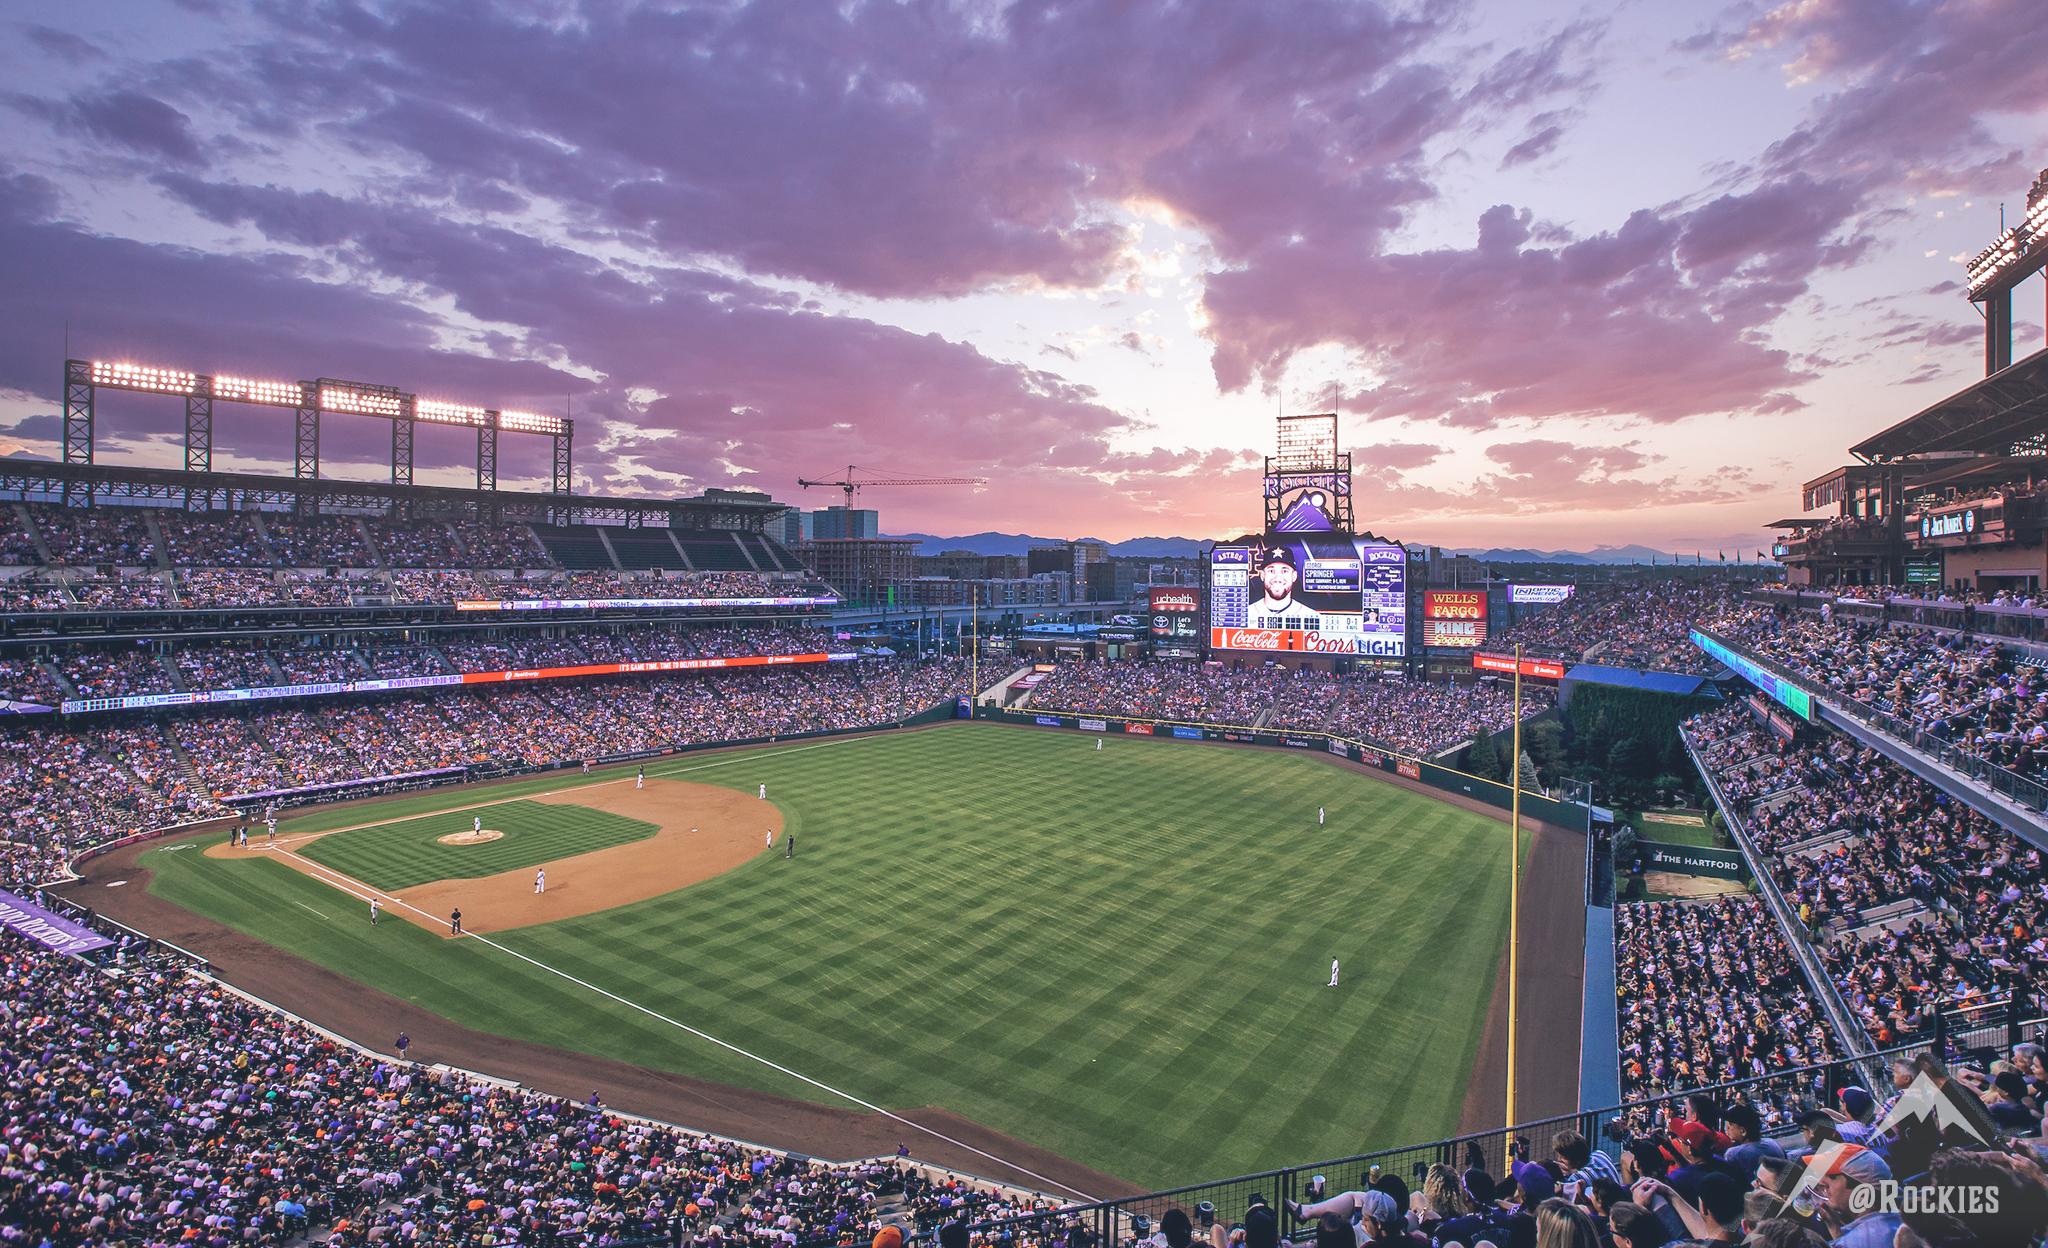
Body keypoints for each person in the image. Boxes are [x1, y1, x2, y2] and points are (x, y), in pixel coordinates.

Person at [1246, 545, 1322, 629]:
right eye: (1271, 571)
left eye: (1284, 571)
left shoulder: (1312, 617)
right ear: (1262, 575)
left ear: (1294, 576)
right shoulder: (1245, 616)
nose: (1277, 578)